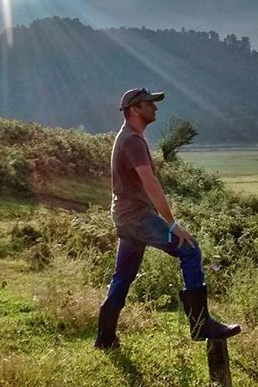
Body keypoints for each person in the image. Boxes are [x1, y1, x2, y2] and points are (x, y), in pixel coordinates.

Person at [94, 87, 241, 349]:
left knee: (123, 277)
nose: (155, 107)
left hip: (127, 217)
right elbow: (150, 184)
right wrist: (172, 223)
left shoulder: (128, 137)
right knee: (190, 249)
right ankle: (200, 324)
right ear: (134, 109)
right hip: (137, 217)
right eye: (149, 103)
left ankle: (105, 338)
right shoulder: (132, 140)